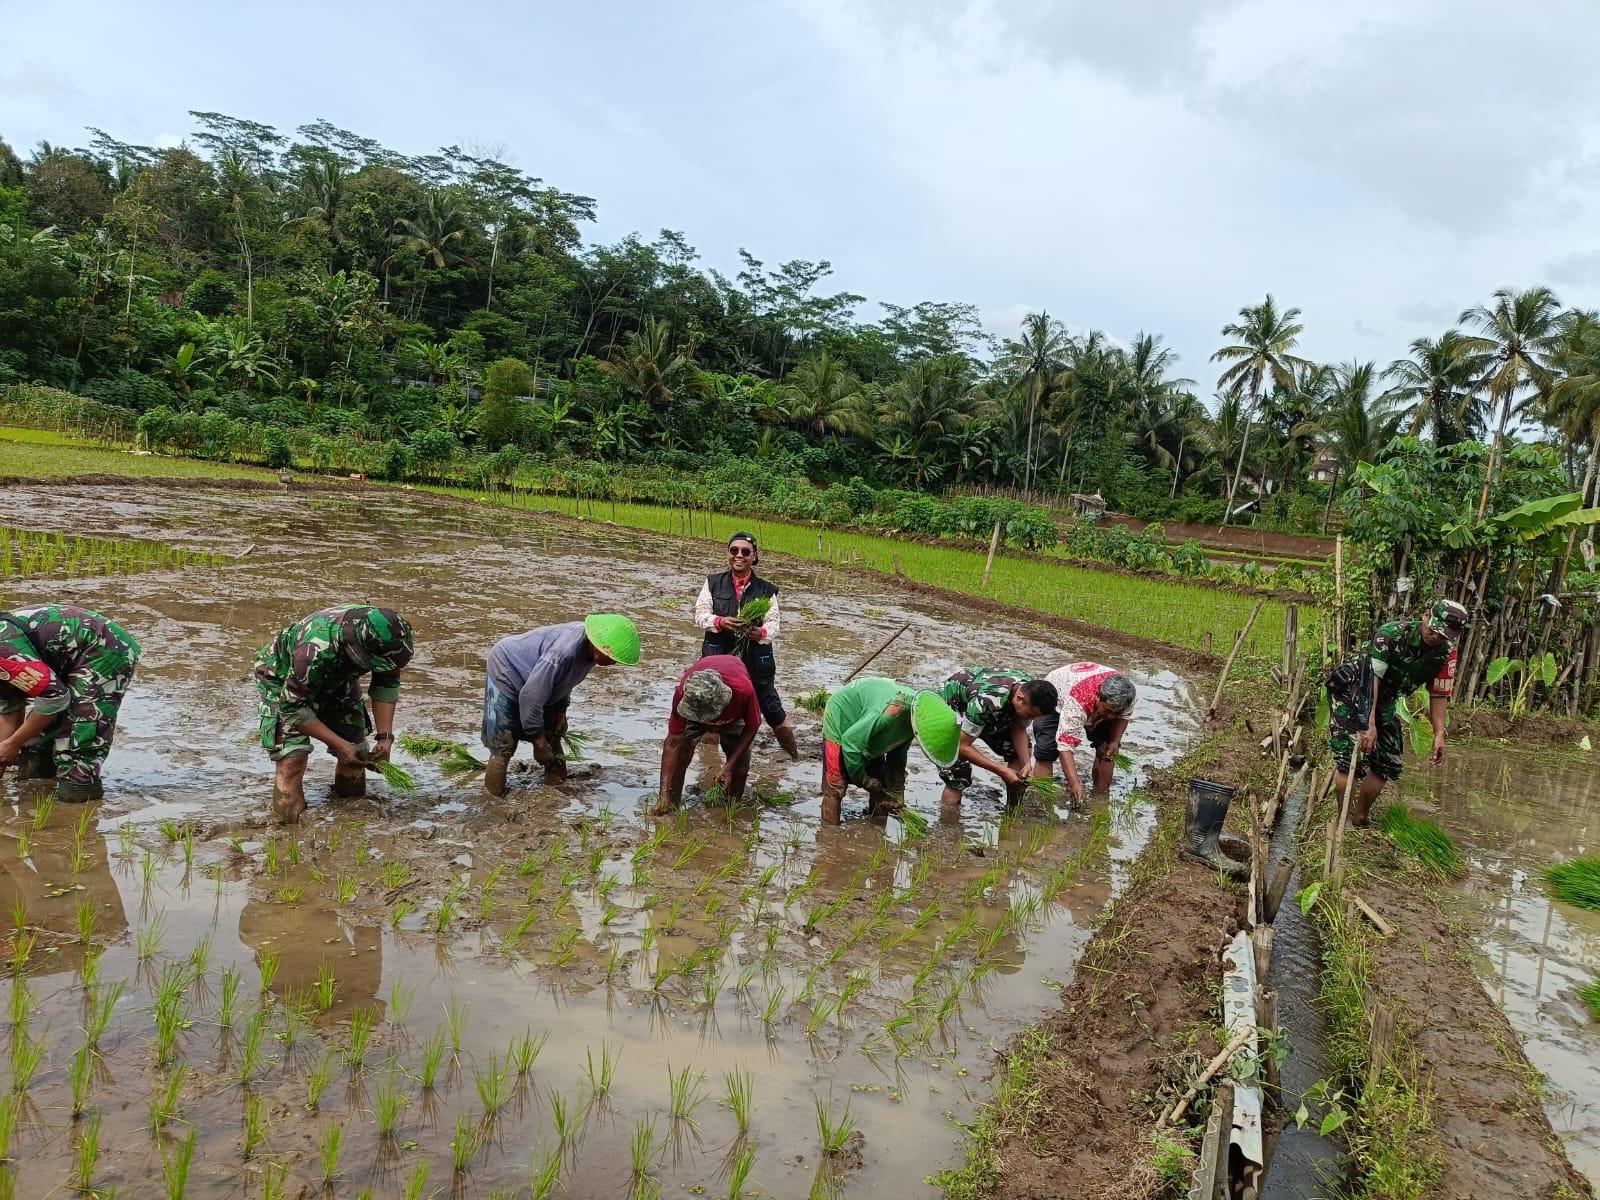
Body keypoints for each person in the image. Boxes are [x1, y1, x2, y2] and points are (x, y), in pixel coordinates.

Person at [254, 604, 414, 824]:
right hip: (283, 680)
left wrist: (385, 738)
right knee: (292, 760)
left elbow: (386, 684)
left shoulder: (389, 643)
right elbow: (293, 708)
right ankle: (287, 830)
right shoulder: (314, 648)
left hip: (339, 680)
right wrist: (340, 745)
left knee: (357, 756)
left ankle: (351, 824)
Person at [1329, 598, 1467, 826]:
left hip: (1387, 698)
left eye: (1442, 635)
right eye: (1433, 630)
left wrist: (1439, 733)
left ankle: (1360, 817)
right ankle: (1342, 821)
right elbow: (1371, 681)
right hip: (1355, 691)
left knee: (1389, 760)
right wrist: (1368, 725)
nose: (1435, 637)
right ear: (1425, 616)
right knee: (1350, 758)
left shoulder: (1445, 654)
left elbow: (1439, 694)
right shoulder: (1390, 634)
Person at [481, 614, 640, 796]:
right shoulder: (561, 654)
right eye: (611, 657)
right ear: (597, 646)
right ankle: (494, 799)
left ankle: (555, 790)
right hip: (506, 670)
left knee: (555, 733)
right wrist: (538, 743)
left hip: (537, 681)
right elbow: (530, 698)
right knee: (503, 745)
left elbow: (565, 679)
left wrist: (561, 710)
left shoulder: (588, 651)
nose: (613, 663)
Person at [0, 603, 141, 802]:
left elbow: (54, 699)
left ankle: (79, 796)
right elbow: (9, 708)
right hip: (61, 655)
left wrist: (13, 743)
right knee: (36, 750)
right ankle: (40, 784)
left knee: (80, 738)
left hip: (102, 648)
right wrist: (4, 753)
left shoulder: (4, 650)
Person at [694, 532, 799, 759]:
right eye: (734, 551)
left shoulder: (766, 590)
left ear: (754, 556)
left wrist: (760, 633)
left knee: (772, 709)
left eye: (745, 552)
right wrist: (720, 622)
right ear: (728, 554)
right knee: (712, 713)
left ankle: (795, 757)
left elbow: (774, 625)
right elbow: (700, 615)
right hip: (719, 657)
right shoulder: (713, 583)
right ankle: (711, 764)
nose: (739, 556)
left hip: (756, 660)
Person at [820, 678, 960, 824]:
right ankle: (829, 831)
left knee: (880, 785)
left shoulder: (918, 719)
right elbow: (851, 742)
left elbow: (898, 755)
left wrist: (896, 791)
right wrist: (862, 779)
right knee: (836, 786)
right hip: (842, 719)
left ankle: (877, 831)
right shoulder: (888, 713)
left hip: (869, 727)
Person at [935, 667, 1058, 811]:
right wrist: (1001, 770)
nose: (1031, 719)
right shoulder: (987, 701)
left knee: (1017, 754)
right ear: (1019, 699)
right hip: (951, 709)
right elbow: (962, 746)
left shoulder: (1031, 691)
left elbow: (1019, 727)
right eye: (1030, 715)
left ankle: (1013, 810)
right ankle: (949, 820)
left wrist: (1026, 764)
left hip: (987, 711)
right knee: (958, 776)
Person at [655, 654, 761, 815]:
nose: (709, 723)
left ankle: (731, 811)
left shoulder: (743, 691)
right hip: (694, 712)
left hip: (733, 718)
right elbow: (672, 743)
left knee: (740, 767)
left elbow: (752, 727)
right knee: (680, 756)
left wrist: (729, 766)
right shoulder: (684, 694)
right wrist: (663, 794)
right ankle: (671, 805)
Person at [1029, 662, 1137, 804]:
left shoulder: (1127, 697)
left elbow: (1123, 716)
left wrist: (1114, 741)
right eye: (1108, 711)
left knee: (1107, 750)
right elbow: (1065, 746)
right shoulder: (1077, 701)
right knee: (1046, 749)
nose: (1111, 717)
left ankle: (1100, 799)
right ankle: (1041, 801)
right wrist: (1074, 783)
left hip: (1087, 694)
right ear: (1098, 697)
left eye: (1116, 713)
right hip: (1056, 696)